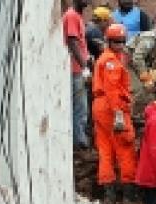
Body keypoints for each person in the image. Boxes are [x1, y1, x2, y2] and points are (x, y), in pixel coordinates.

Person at [92, 23, 137, 204]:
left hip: (100, 106)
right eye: (116, 42)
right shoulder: (111, 62)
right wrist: (118, 113)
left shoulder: (104, 58)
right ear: (109, 41)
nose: (120, 45)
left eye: (122, 41)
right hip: (112, 107)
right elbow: (112, 89)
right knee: (125, 147)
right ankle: (128, 194)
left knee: (105, 149)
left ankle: (108, 193)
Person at [64, 0, 91, 150]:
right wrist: (84, 66)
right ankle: (79, 142)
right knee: (80, 108)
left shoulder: (77, 16)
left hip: (77, 68)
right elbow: (73, 42)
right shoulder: (72, 16)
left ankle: (79, 139)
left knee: (80, 107)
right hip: (75, 70)